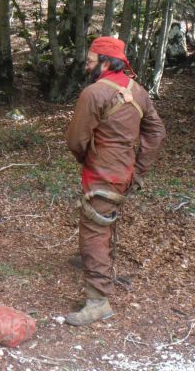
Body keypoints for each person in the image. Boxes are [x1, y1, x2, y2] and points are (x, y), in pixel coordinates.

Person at [65, 37, 166, 326]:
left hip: (101, 174)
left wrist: (87, 158)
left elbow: (76, 140)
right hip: (123, 173)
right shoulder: (138, 91)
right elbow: (156, 132)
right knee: (103, 221)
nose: (86, 66)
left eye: (90, 61)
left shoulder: (94, 93)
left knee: (94, 231)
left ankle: (98, 301)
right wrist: (138, 169)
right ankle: (95, 261)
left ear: (106, 62)